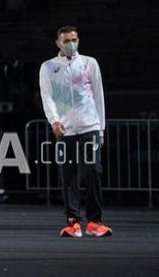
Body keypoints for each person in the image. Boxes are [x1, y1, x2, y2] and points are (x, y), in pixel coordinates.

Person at [39, 26, 111, 238]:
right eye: (66, 40)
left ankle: (95, 221)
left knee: (93, 171)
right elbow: (47, 96)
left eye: (74, 39)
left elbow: (99, 96)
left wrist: (101, 128)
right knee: (68, 175)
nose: (71, 43)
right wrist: (53, 121)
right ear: (58, 43)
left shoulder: (89, 63)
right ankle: (73, 221)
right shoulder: (48, 67)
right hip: (65, 130)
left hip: (89, 126)